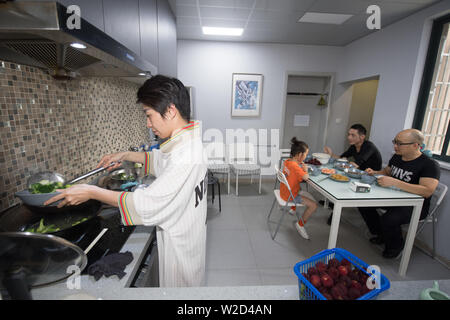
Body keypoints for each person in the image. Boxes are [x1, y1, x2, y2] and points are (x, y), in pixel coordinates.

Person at [45, 75, 208, 287]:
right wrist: (125, 155)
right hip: (186, 238)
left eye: (149, 115)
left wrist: (91, 192)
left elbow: (148, 203)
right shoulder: (186, 144)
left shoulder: (187, 154)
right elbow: (162, 161)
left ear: (170, 110)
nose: (148, 124)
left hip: (181, 248)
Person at [359, 129, 440, 259]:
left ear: (415, 145)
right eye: (395, 142)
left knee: (389, 219)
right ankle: (382, 234)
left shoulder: (429, 165)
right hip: (393, 198)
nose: (395, 146)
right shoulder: (397, 156)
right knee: (364, 204)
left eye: (400, 144)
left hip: (415, 206)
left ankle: (395, 247)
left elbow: (427, 191)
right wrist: (374, 172)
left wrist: (396, 183)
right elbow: (387, 172)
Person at [322, 124, 383, 224]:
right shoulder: (354, 147)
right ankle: (333, 205)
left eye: (353, 135)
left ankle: (334, 213)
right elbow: (341, 159)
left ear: (362, 136)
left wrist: (341, 165)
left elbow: (353, 165)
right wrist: (331, 154)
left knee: (340, 184)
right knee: (336, 182)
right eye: (349, 134)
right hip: (359, 175)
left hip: (371, 179)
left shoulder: (369, 147)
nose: (349, 137)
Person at [280, 137, 318, 240]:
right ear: (300, 155)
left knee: (300, 189)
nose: (306, 157)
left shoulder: (288, 161)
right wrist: (305, 170)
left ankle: (293, 209)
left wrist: (299, 167)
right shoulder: (295, 167)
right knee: (313, 205)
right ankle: (300, 224)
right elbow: (306, 178)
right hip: (290, 196)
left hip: (283, 191)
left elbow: (295, 175)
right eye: (305, 154)